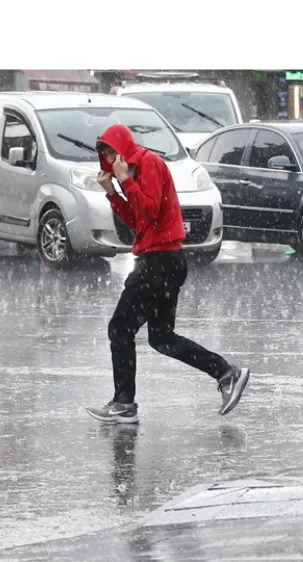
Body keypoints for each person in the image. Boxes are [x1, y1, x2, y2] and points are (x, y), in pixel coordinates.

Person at [84, 124, 250, 424]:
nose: (109, 158)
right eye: (104, 154)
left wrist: (124, 181)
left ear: (123, 146)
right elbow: (137, 220)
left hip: (159, 261)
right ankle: (226, 373)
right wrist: (112, 192)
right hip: (162, 260)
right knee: (162, 338)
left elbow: (148, 210)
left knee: (120, 328)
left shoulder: (148, 164)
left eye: (111, 150)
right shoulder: (132, 170)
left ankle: (124, 403)